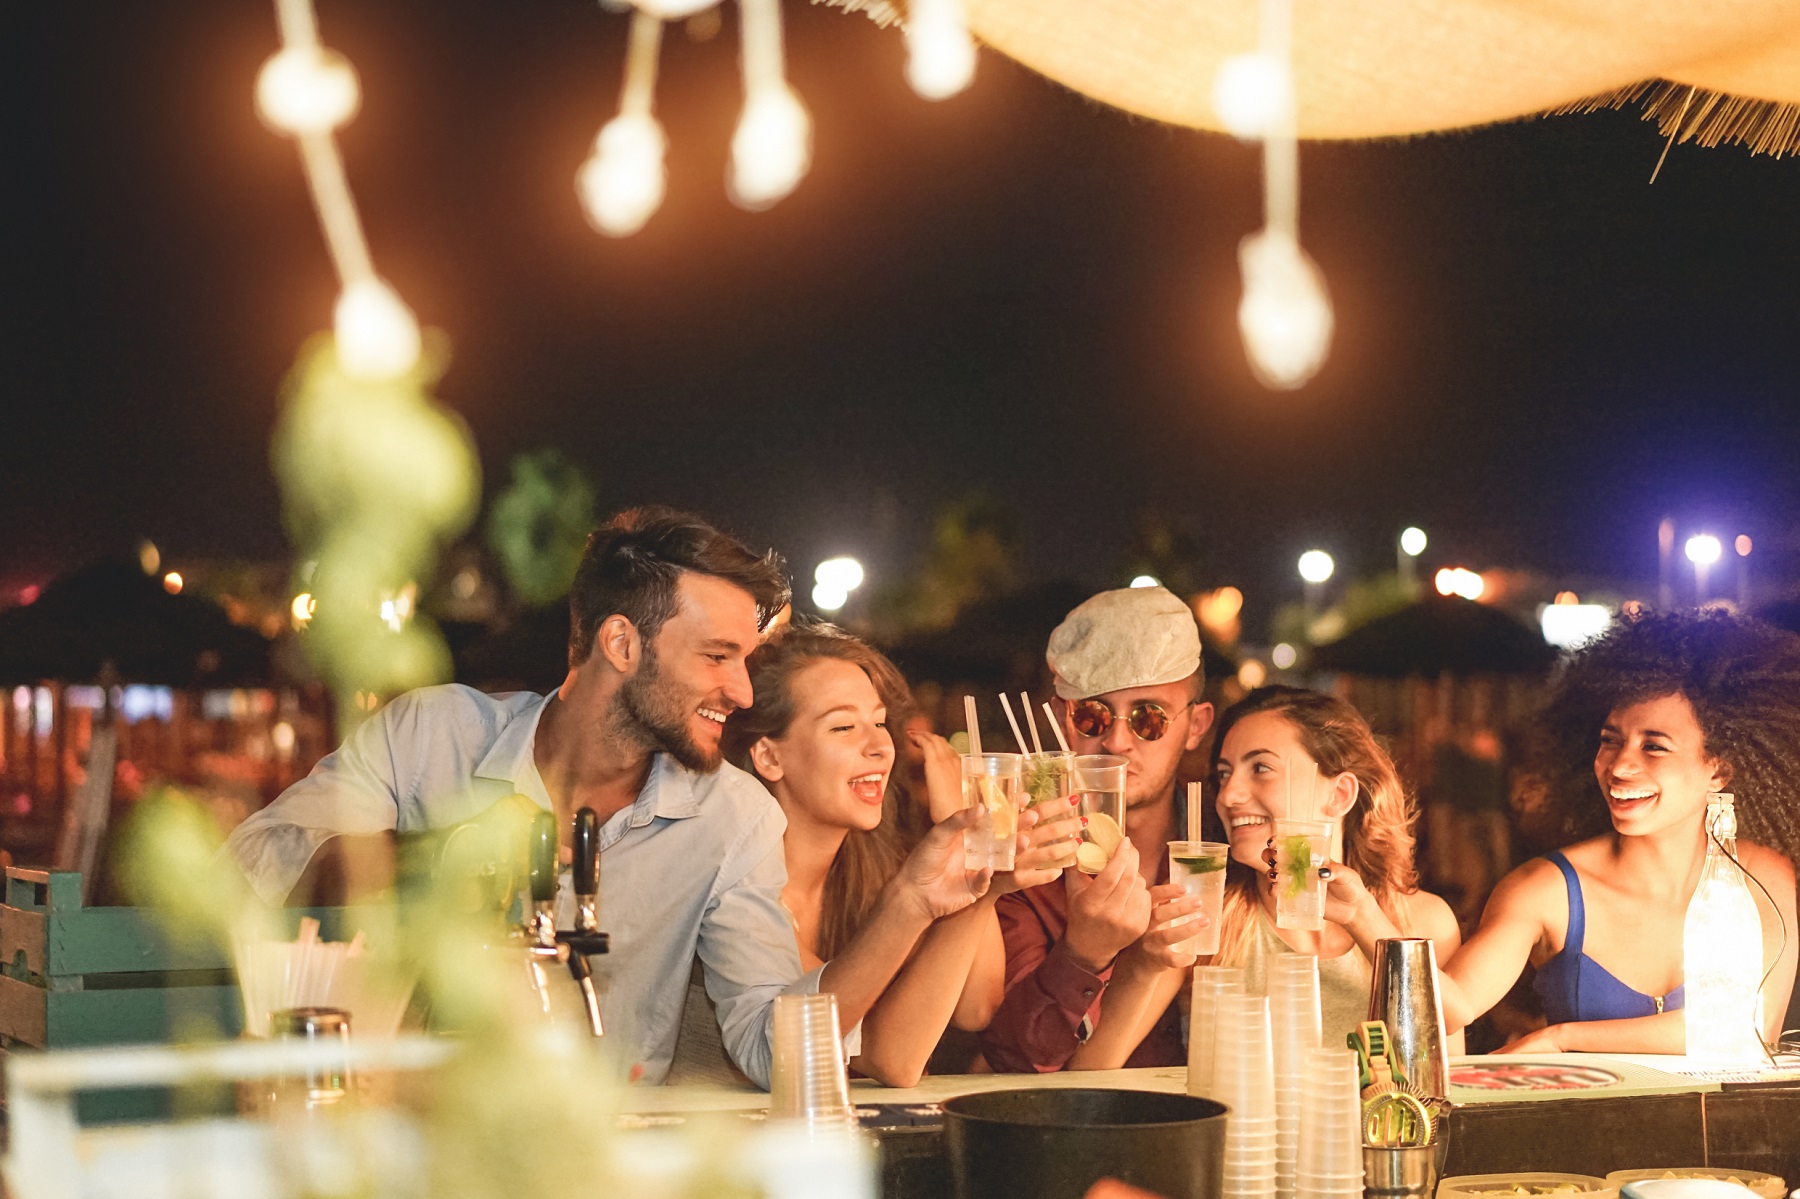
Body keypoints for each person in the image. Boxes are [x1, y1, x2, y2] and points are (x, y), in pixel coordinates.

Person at [227, 507, 875, 1088]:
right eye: (717, 656)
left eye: (745, 659)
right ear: (621, 644)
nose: (741, 692)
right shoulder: (430, 736)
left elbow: (772, 1050)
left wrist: (911, 905)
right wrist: (431, 857)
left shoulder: (734, 818)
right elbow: (252, 865)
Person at [720, 624, 1074, 1086]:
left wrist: (981, 874)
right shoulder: (737, 889)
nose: (878, 746)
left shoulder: (871, 870)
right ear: (768, 757)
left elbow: (975, 1007)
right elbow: (891, 1057)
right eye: (844, 726)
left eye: (880, 722)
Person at [1440, 608, 1800, 1053]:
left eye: (1654, 746)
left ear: (1719, 770)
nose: (1619, 766)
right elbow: (1454, 1005)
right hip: (1583, 1124)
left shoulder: (1762, 878)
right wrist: (1364, 914)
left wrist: (1564, 1038)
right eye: (1610, 739)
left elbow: (1747, 1031)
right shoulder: (1545, 889)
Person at [979, 585, 1216, 1072]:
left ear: (1196, 725)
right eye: (1093, 715)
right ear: (1067, 722)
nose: (1117, 740)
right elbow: (1011, 1065)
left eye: (1150, 718)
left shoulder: (1225, 843)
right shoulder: (1026, 860)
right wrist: (1082, 957)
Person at [1208, 686, 1462, 1048]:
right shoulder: (1208, 921)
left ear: (1339, 794)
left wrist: (1362, 917)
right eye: (1223, 774)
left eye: (1261, 768)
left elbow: (1445, 1064)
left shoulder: (1424, 921)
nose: (1227, 795)